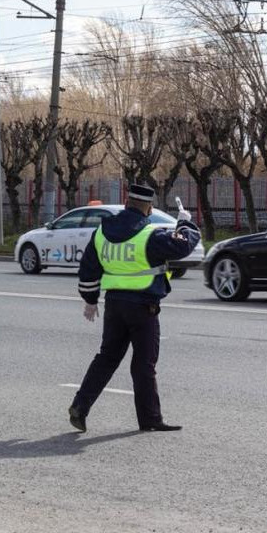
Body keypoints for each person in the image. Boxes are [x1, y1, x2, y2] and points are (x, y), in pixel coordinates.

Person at [68, 183, 201, 433]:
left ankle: (80, 406)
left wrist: (90, 299)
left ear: (127, 203)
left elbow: (88, 269)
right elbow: (183, 245)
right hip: (143, 307)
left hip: (115, 305)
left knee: (106, 358)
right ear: (148, 208)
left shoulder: (101, 232)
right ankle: (150, 418)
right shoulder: (149, 234)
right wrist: (185, 224)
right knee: (144, 364)